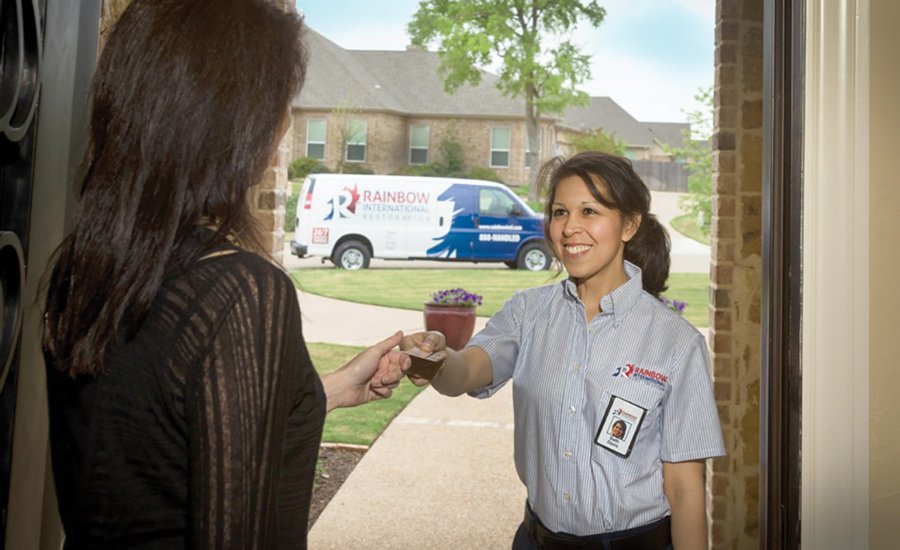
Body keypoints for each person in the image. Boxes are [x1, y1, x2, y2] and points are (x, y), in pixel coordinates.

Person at [41, 1, 409, 548]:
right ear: (231, 119)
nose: (284, 123)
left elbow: (156, 436)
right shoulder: (240, 294)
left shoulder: (81, 266)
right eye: (279, 101)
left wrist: (320, 392)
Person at [403, 151, 725, 549]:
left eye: (589, 211)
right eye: (559, 212)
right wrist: (436, 359)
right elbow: (466, 370)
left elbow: (685, 490)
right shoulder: (527, 312)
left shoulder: (676, 343)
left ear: (629, 224)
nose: (570, 227)